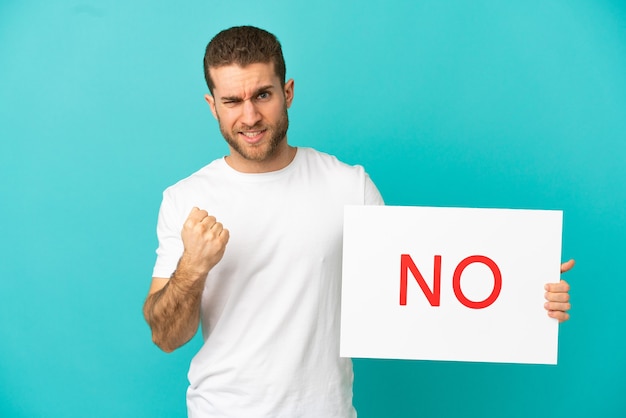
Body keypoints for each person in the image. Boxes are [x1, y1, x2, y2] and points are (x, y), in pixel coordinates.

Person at [143, 25, 573, 418]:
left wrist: (523, 287)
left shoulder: (349, 186)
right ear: (211, 105)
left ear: (287, 92)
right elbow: (166, 336)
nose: (250, 116)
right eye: (232, 101)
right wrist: (193, 267)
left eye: (262, 95)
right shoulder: (186, 199)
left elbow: (421, 288)